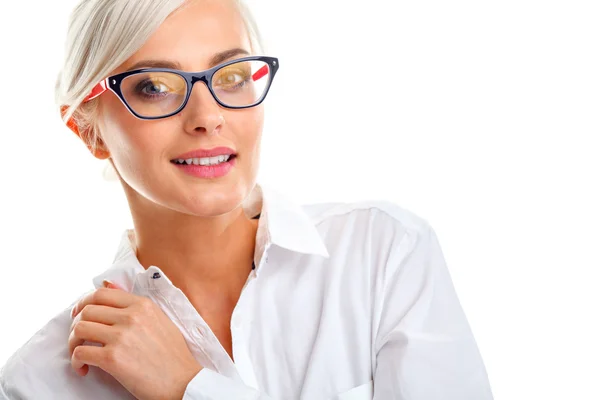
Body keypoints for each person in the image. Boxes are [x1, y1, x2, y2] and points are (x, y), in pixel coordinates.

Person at [0, 0, 494, 398]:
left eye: (231, 76)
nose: (208, 116)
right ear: (89, 132)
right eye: (155, 87)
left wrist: (187, 387)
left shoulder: (382, 257)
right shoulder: (45, 380)